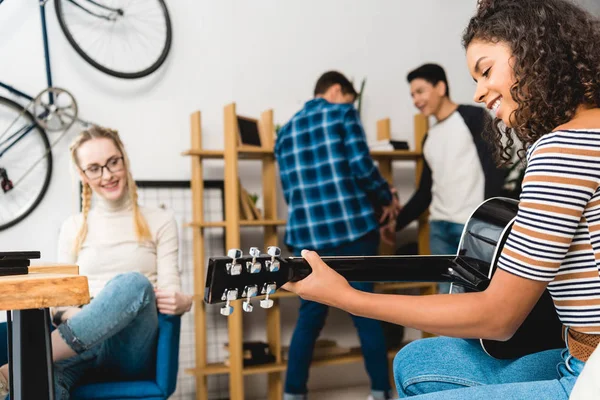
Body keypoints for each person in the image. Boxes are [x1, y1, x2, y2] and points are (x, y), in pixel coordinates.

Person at [281, 0, 600, 398]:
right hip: (578, 348)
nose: (480, 91)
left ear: (536, 50)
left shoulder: (562, 148)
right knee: (414, 361)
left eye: (485, 70)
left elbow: (498, 317)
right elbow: (422, 188)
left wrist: (347, 297)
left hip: (588, 371)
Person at [0, 126, 193, 398]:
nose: (107, 175)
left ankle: (14, 367)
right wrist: (83, 320)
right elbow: (59, 303)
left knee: (133, 283)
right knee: (39, 384)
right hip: (77, 347)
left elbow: (170, 291)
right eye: (94, 168)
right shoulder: (72, 227)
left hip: (129, 349)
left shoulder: (161, 221)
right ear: (82, 175)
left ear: (124, 159)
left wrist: (185, 300)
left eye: (113, 162)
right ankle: (27, 370)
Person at [275, 71, 400, 400]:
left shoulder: (285, 132)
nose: (350, 103)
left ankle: (292, 394)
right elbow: (362, 169)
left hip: (307, 238)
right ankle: (380, 392)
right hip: (352, 231)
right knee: (366, 310)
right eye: (349, 96)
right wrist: (387, 199)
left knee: (310, 316)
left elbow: (292, 192)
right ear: (336, 91)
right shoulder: (344, 113)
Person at [381, 63, 506, 293]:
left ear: (440, 87)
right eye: (412, 95)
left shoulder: (472, 117)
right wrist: (395, 224)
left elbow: (495, 168)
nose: (416, 100)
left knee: (474, 299)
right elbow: (425, 192)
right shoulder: (430, 137)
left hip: (469, 227)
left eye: (420, 91)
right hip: (439, 228)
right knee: (445, 299)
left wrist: (487, 222)